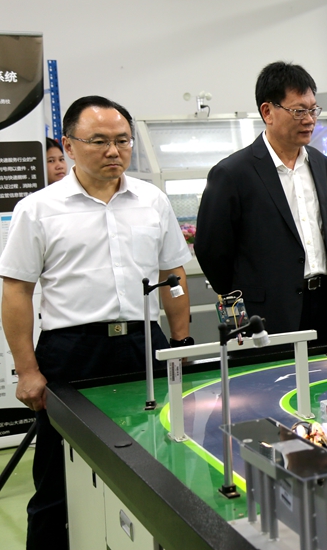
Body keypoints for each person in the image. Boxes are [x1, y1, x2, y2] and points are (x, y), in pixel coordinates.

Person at [0, 96, 191, 550]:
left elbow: (173, 275)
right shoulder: (38, 209)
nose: (113, 151)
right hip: (72, 352)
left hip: (143, 346)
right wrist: (27, 370)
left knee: (159, 462)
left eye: (122, 140)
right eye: (99, 141)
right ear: (68, 145)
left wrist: (182, 341)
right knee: (57, 479)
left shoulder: (152, 201)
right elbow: (17, 291)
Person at [195, 61, 327, 344]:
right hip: (266, 312)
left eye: (313, 110)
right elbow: (211, 250)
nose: (309, 120)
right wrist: (244, 296)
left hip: (321, 302)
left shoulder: (320, 164)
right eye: (299, 111)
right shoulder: (233, 173)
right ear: (268, 112)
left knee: (323, 372)